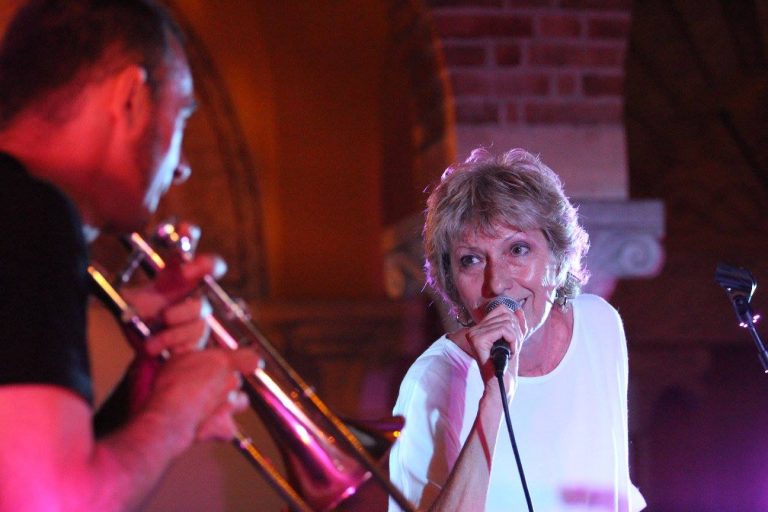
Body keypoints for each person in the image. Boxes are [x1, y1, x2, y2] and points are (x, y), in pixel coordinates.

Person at [0, 1, 260, 510]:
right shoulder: (31, 212)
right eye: (181, 115)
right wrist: (176, 413)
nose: (182, 166)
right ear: (131, 97)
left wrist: (150, 379)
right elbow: (50, 502)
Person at [388, 148, 646, 511]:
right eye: (472, 260)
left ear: (557, 257)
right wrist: (494, 400)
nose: (497, 283)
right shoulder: (432, 380)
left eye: (518, 249)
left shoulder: (599, 325)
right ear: (451, 279)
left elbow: (615, 492)